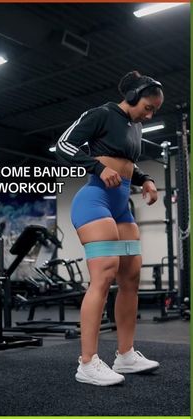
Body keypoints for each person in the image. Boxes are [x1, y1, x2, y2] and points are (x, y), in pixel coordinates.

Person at [55, 70, 164, 386]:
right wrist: (98, 168)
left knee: (130, 277)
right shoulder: (101, 114)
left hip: (121, 208)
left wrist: (147, 180)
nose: (150, 113)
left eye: (154, 110)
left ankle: (126, 355)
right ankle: (87, 363)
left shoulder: (134, 128)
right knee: (103, 275)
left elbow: (128, 163)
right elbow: (64, 145)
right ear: (133, 96)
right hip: (94, 201)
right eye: (148, 106)